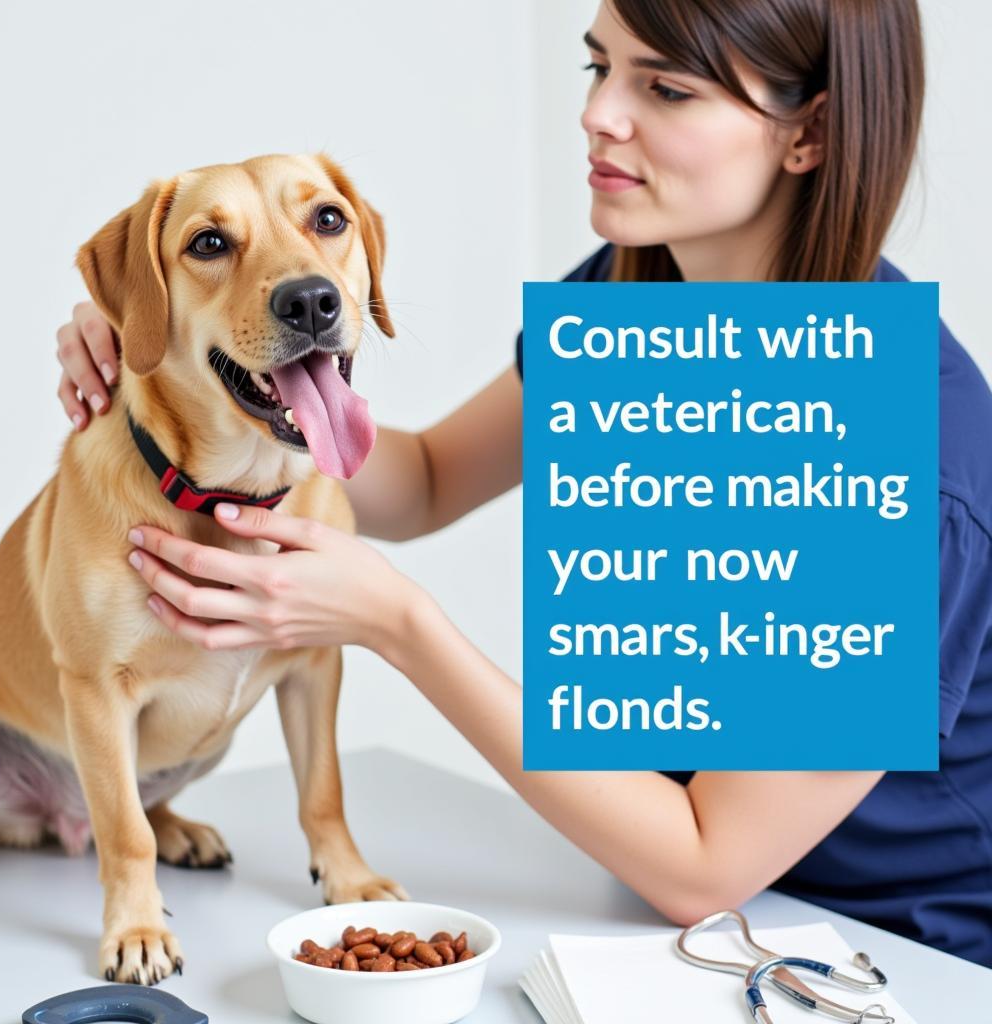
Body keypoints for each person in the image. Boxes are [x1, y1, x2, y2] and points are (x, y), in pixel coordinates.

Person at [54, 0, 992, 967]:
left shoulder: (908, 452)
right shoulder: (638, 293)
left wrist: (395, 623)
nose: (599, 115)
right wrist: (167, 380)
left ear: (814, 133)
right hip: (654, 904)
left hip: (895, 952)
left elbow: (705, 863)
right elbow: (418, 482)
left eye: (665, 87)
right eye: (600, 69)